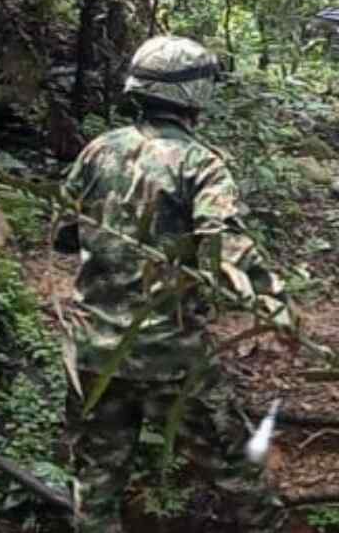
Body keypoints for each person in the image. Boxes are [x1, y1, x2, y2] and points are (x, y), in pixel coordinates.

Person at [56, 35, 291, 532]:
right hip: (171, 357)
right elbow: (222, 243)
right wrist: (274, 300)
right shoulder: (201, 164)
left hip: (94, 351)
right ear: (196, 96)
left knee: (95, 486)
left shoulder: (98, 150)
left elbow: (63, 233)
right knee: (239, 474)